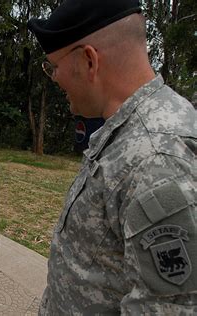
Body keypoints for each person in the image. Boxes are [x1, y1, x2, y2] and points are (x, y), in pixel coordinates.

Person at [27, 0, 197, 314]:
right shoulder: (129, 131)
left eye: (53, 67)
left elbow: (168, 307)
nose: (54, 79)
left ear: (88, 60)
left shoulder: (154, 157)